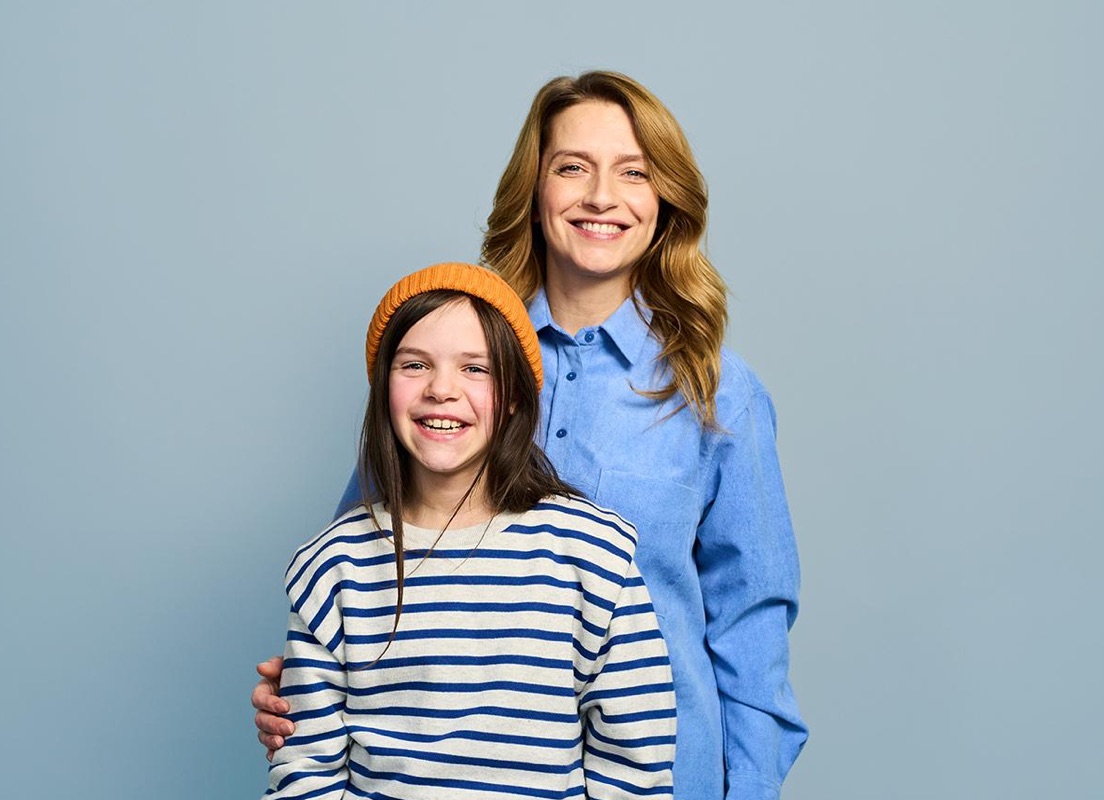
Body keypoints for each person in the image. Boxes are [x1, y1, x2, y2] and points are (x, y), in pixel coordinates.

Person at [255, 71, 808, 800]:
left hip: (666, 779)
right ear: (535, 188)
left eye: (634, 172)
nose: (601, 197)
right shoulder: (456, 366)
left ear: (665, 199)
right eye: (572, 167)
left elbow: (751, 629)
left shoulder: (719, 391)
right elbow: (366, 562)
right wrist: (301, 692)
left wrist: (753, 791)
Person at [263, 262, 676, 799]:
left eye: (475, 368)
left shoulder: (593, 555)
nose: (441, 389)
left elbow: (634, 769)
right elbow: (306, 775)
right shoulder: (333, 565)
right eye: (414, 365)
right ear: (383, 386)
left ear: (514, 396)